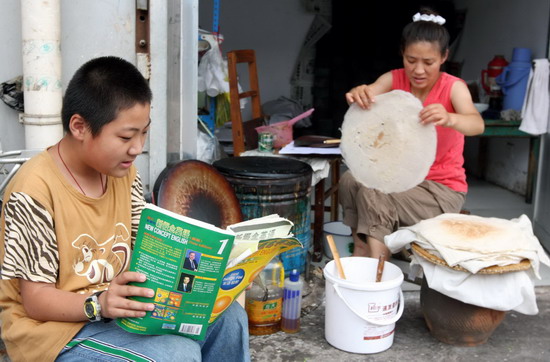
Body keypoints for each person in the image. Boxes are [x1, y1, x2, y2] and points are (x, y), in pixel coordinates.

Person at [0, 56, 250, 362]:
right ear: (79, 126)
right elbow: (35, 301)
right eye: (125, 136)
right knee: (176, 354)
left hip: (119, 308)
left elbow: (141, 250)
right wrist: (100, 305)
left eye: (143, 133)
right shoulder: (34, 190)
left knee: (230, 319)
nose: (137, 147)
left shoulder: (123, 172)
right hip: (56, 331)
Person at [339, 8, 485, 261]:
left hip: (440, 190)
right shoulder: (394, 79)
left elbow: (476, 124)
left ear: (443, 57)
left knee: (374, 190)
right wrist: (359, 92)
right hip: (400, 181)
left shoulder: (453, 88)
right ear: (402, 54)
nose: (418, 70)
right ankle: (361, 248)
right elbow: (367, 92)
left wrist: (450, 118)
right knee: (351, 179)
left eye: (428, 62)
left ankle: (378, 268)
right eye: (410, 60)